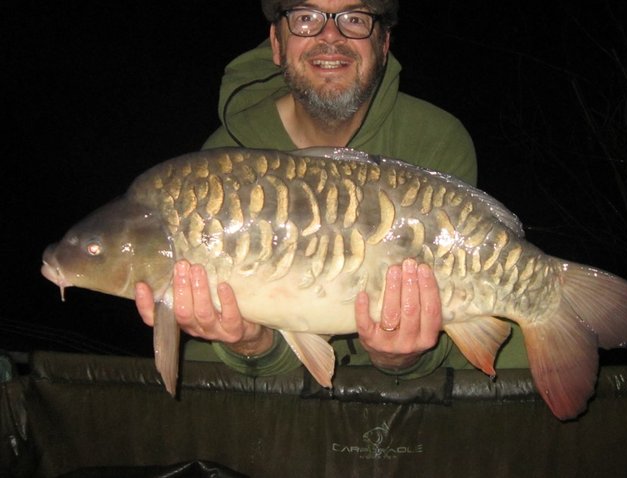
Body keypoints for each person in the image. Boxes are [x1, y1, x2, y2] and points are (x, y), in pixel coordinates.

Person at [135, 0, 527, 380]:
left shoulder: (436, 140)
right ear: (276, 42)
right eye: (306, 17)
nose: (329, 35)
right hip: (278, 395)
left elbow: (458, 307)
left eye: (354, 19)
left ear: (384, 44)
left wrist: (402, 360)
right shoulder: (222, 167)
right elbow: (259, 359)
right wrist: (252, 345)